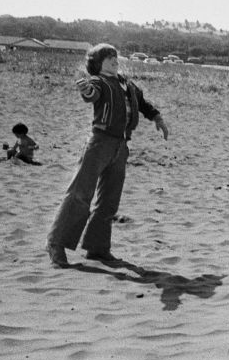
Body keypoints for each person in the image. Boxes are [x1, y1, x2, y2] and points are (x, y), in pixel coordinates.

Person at [46, 44, 169, 268]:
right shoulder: (98, 81)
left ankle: (97, 248)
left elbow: (142, 104)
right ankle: (56, 244)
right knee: (80, 194)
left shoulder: (126, 83)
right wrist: (86, 90)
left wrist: (158, 119)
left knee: (109, 201)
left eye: (115, 56)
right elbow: (92, 94)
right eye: (108, 57)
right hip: (99, 143)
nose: (114, 60)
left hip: (121, 146)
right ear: (97, 63)